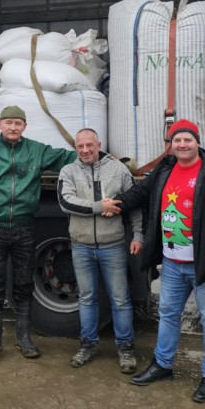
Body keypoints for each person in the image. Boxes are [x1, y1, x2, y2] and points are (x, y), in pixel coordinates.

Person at [104, 119, 205, 403]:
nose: (182, 145)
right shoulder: (165, 169)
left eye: (187, 139)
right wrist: (116, 203)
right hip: (172, 263)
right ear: (170, 145)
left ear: (197, 142)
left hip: (204, 264)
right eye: (177, 140)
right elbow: (140, 193)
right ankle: (163, 365)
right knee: (169, 315)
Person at [0, 105, 77, 368]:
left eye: (18, 123)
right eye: (8, 122)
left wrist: (98, 155)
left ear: (24, 127)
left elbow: (67, 157)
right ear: (0, 125)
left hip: (23, 228)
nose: (13, 127)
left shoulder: (36, 151)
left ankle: (24, 339)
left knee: (23, 285)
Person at [57, 128, 144, 374]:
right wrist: (99, 206)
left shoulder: (118, 170)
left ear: (99, 144)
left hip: (113, 246)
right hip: (81, 246)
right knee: (86, 298)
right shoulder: (69, 171)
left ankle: (126, 349)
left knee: (120, 300)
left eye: (89, 145)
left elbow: (135, 204)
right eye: (80, 146)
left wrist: (138, 234)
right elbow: (66, 201)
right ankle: (88, 345)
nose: (85, 150)